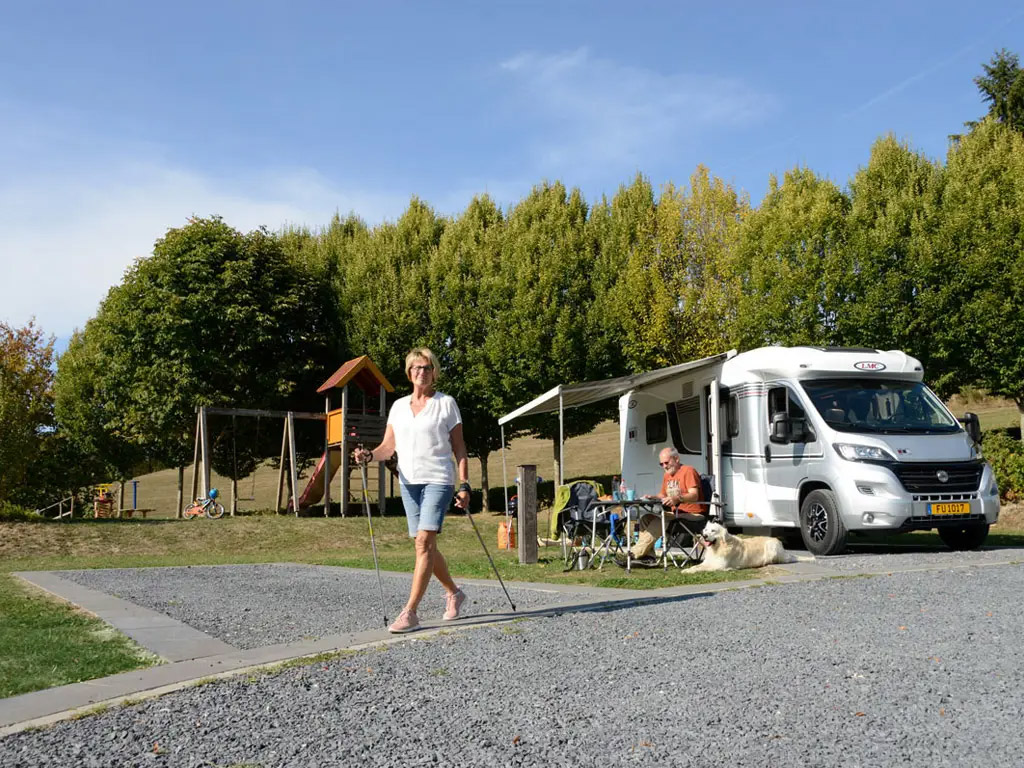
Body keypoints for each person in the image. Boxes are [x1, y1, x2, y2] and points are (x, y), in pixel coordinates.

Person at [353, 348, 471, 633]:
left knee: (423, 543)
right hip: (408, 481)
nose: (422, 372)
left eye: (428, 368)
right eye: (417, 367)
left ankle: (411, 612)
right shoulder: (398, 407)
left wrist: (465, 484)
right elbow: (387, 447)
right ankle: (454, 592)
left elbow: (460, 448)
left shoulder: (446, 404)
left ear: (434, 372)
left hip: (439, 479)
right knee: (424, 545)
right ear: (409, 372)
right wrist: (369, 455)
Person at [619, 447, 703, 565]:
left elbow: (694, 495)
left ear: (676, 459)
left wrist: (677, 498)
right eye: (661, 464)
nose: (664, 466)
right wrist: (653, 497)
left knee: (662, 518)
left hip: (693, 515)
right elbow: (662, 495)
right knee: (646, 518)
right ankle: (648, 557)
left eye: (666, 463)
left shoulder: (688, 471)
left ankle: (633, 554)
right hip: (675, 514)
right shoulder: (667, 475)